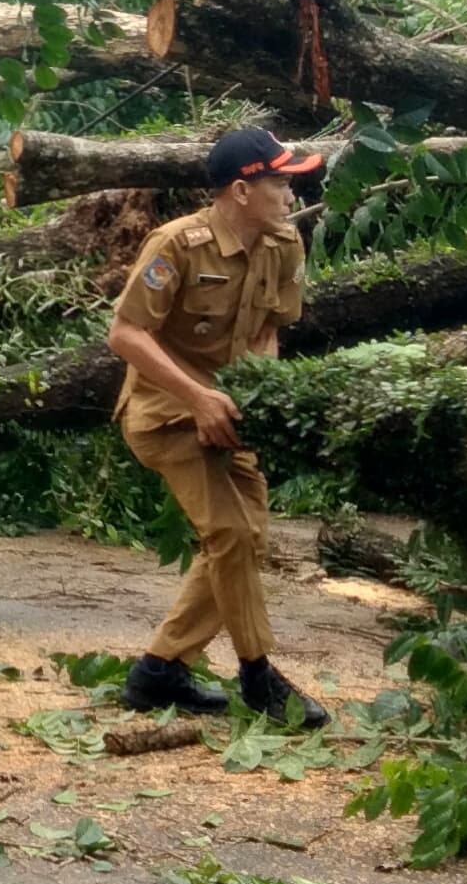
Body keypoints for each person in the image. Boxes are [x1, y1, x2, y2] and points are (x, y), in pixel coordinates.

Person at [105, 125, 331, 728]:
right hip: (163, 414)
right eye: (279, 181)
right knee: (230, 534)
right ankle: (260, 677)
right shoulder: (177, 245)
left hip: (227, 415)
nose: (290, 193)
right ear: (240, 189)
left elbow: (267, 334)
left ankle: (159, 671)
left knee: (246, 538)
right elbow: (125, 335)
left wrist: (252, 403)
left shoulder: (285, 244)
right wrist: (199, 399)